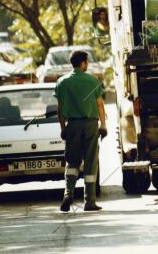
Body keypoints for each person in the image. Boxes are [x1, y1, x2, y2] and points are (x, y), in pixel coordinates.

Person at [55, 50, 107, 212]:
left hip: (73, 125)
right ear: (83, 63)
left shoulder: (62, 82)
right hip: (90, 124)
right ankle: (89, 201)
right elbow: (100, 104)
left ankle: (68, 193)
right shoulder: (92, 80)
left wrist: (63, 128)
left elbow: (60, 108)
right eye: (87, 62)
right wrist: (103, 125)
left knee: (72, 161)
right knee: (90, 162)